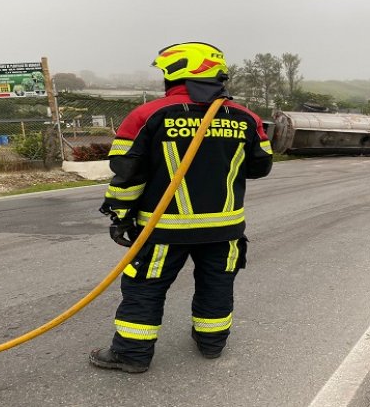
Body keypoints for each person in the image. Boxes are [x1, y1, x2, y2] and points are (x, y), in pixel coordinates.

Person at [89, 42, 273, 373]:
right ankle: (211, 345)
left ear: (177, 71)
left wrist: (119, 216)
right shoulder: (247, 118)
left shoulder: (147, 115)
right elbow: (260, 167)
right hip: (224, 230)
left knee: (145, 287)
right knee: (217, 285)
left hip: (164, 230)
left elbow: (128, 175)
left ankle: (132, 354)